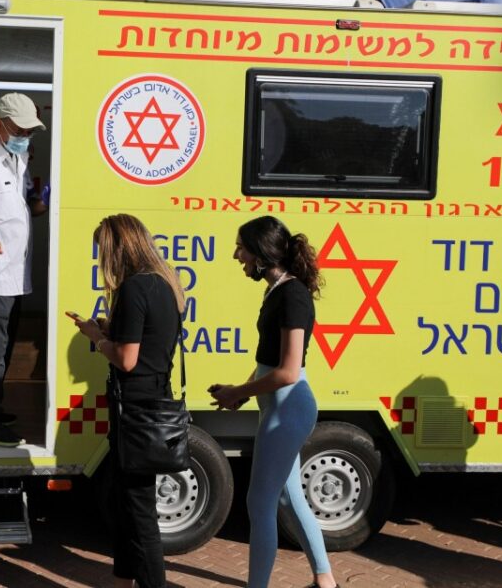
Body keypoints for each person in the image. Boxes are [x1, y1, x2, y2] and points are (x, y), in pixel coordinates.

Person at [209, 215, 338, 588]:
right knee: (288, 498)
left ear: (262, 253)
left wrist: (238, 392)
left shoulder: (292, 295)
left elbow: (288, 372)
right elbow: (270, 361)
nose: (236, 256)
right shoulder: (277, 290)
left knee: (260, 503)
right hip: (280, 408)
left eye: (241, 248)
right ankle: (326, 580)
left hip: (289, 410)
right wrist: (241, 389)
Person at [73, 214, 185, 588]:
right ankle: (122, 582)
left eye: (103, 250)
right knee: (127, 506)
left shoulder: (135, 287)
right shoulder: (163, 283)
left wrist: (95, 336)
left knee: (138, 512)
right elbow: (148, 341)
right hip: (152, 401)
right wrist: (109, 329)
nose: (101, 259)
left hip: (135, 409)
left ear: (119, 248)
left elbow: (127, 359)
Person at [0, 93, 47, 447]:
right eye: (21, 129)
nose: (26, 136)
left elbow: (25, 207)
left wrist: (43, 203)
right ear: (0, 124)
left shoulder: (17, 158)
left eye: (30, 131)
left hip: (16, 275)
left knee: (5, 350)